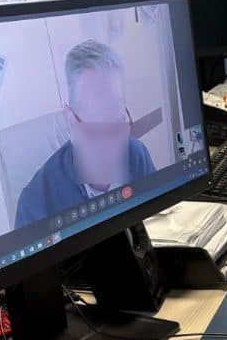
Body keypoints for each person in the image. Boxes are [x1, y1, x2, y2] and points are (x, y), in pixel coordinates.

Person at [15, 39, 155, 229]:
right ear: (70, 121)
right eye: (94, 132)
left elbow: (158, 223)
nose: (110, 148)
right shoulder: (35, 204)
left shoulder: (137, 155)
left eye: (116, 126)